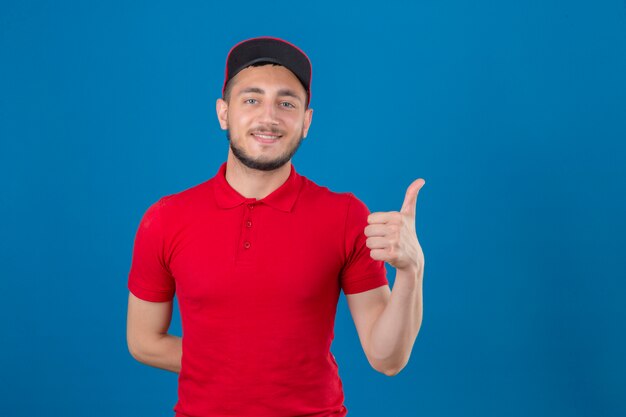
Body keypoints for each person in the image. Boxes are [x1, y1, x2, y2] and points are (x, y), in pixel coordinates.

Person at [126, 36, 426, 417]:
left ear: (306, 121)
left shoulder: (346, 215)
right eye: (251, 99)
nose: (268, 117)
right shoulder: (165, 218)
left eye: (286, 103)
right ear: (223, 113)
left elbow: (387, 358)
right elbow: (143, 341)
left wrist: (412, 271)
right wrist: (242, 370)